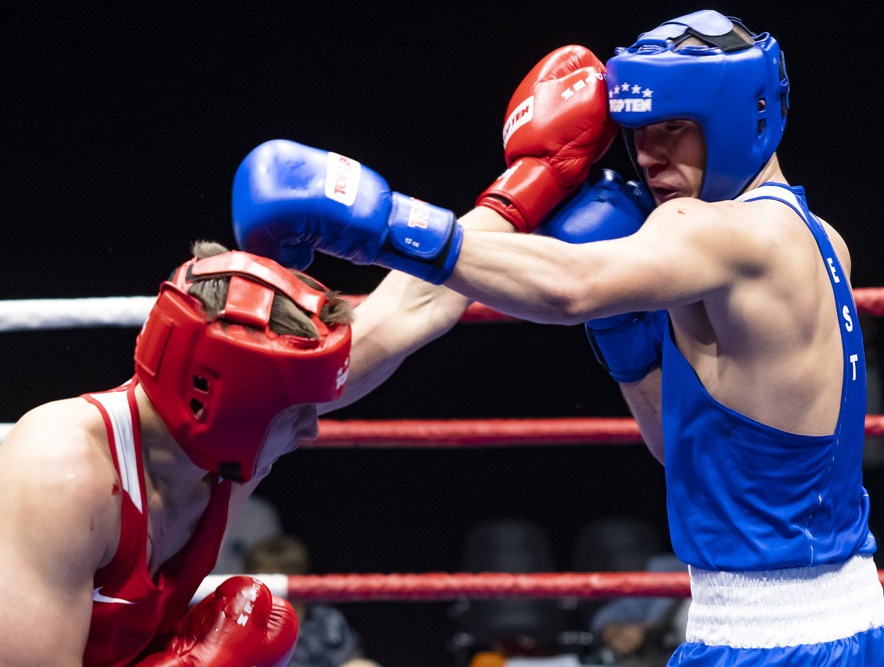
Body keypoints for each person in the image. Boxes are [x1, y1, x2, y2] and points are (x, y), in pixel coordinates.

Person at [231, 9, 884, 665]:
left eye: (673, 128)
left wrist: (375, 222)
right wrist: (625, 332)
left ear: (742, 118)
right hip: (834, 615)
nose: (647, 155)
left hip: (772, 638)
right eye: (638, 132)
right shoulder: (820, 239)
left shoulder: (720, 232)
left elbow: (570, 286)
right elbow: (689, 451)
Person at [0, 242, 353, 666]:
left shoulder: (216, 461)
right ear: (231, 409)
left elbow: (385, 335)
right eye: (296, 411)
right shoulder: (62, 476)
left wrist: (395, 240)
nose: (311, 429)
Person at [244, 535, 372, 667]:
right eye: (257, 579)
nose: (264, 588)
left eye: (272, 581)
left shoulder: (326, 619)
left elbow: (352, 661)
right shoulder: (242, 621)